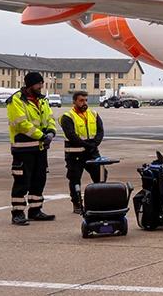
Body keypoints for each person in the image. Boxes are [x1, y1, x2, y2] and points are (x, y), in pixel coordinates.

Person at [6, 72, 58, 225]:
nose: (41, 86)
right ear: (30, 84)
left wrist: (51, 132)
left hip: (40, 148)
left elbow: (50, 118)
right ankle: (17, 212)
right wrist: (42, 136)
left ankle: (35, 210)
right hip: (23, 148)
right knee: (22, 181)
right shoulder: (16, 100)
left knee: (39, 180)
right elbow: (21, 124)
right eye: (39, 83)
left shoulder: (42, 100)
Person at [61, 91, 103, 215]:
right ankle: (77, 203)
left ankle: (98, 201)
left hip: (92, 152)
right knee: (74, 179)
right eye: (81, 100)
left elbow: (100, 131)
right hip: (75, 154)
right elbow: (71, 135)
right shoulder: (67, 117)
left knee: (101, 176)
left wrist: (94, 144)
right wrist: (87, 145)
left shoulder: (93, 114)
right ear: (74, 102)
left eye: (86, 100)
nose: (84, 103)